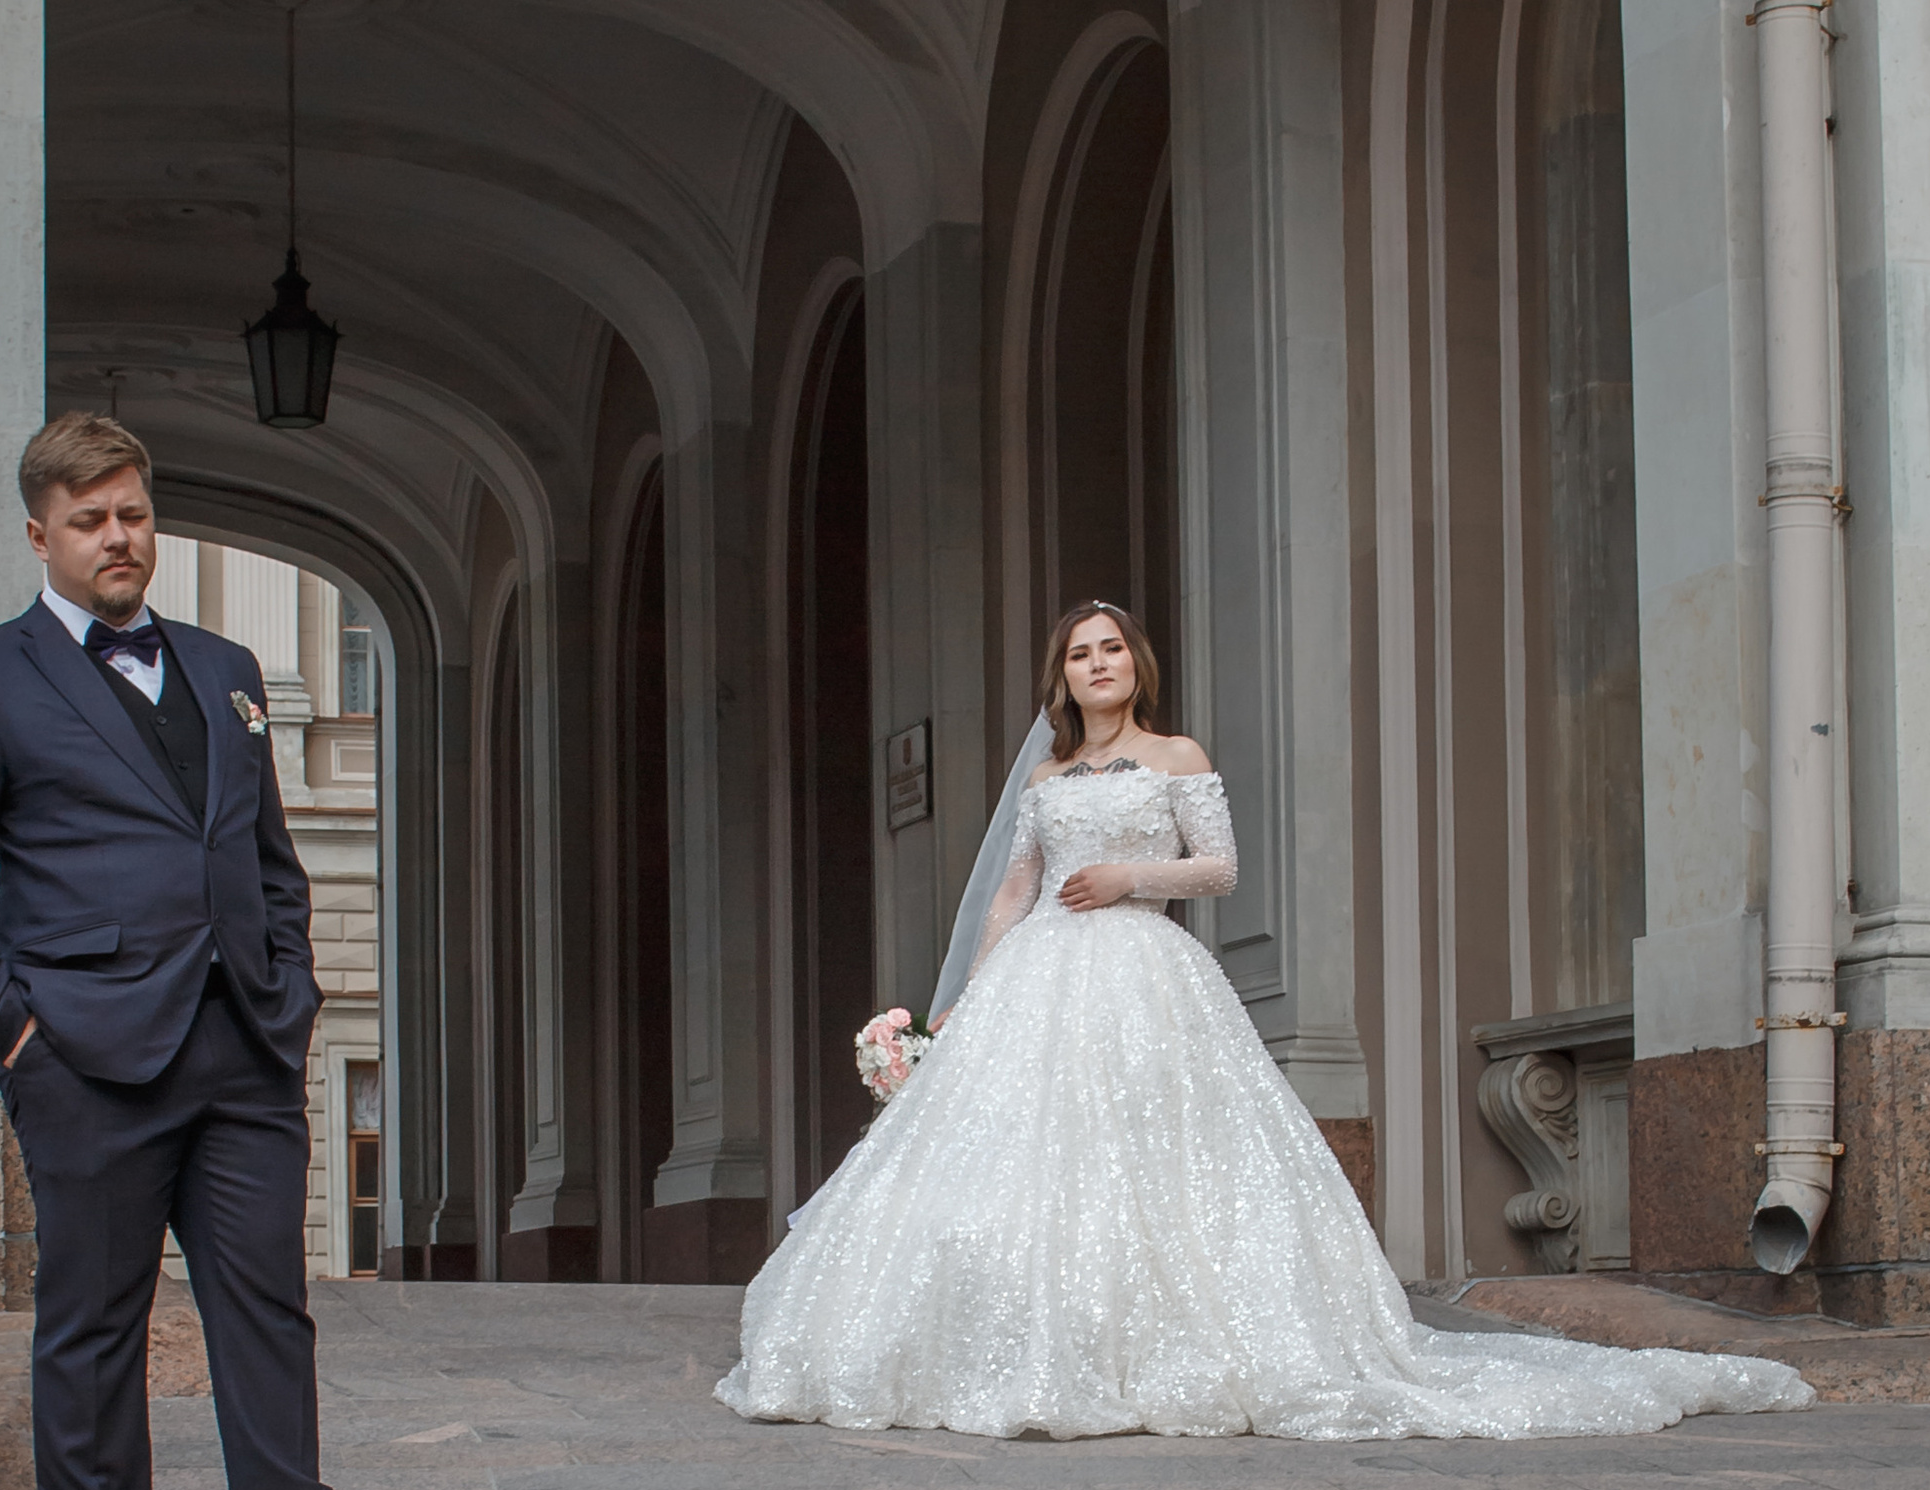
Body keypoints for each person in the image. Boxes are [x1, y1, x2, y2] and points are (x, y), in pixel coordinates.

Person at [720, 601, 1813, 1443]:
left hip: (1143, 966)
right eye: (1077, 655)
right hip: (1040, 975)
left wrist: (1127, 874)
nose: (1095, 666)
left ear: (1134, 664)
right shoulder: (1047, 775)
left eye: (1109, 650)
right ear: (1060, 677)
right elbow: (1011, 891)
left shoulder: (1177, 757)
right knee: (1020, 1159)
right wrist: (964, 994)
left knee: (1155, 1152)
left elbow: (1220, 869)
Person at [0, 415, 426, 1490]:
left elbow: (266, 856)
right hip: (85, 1053)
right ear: (41, 536)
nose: (118, 537)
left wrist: (289, 992)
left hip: (240, 1042)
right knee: (95, 1314)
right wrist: (12, 1031)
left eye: (131, 513)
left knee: (266, 1303)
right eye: (89, 520)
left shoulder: (226, 667)